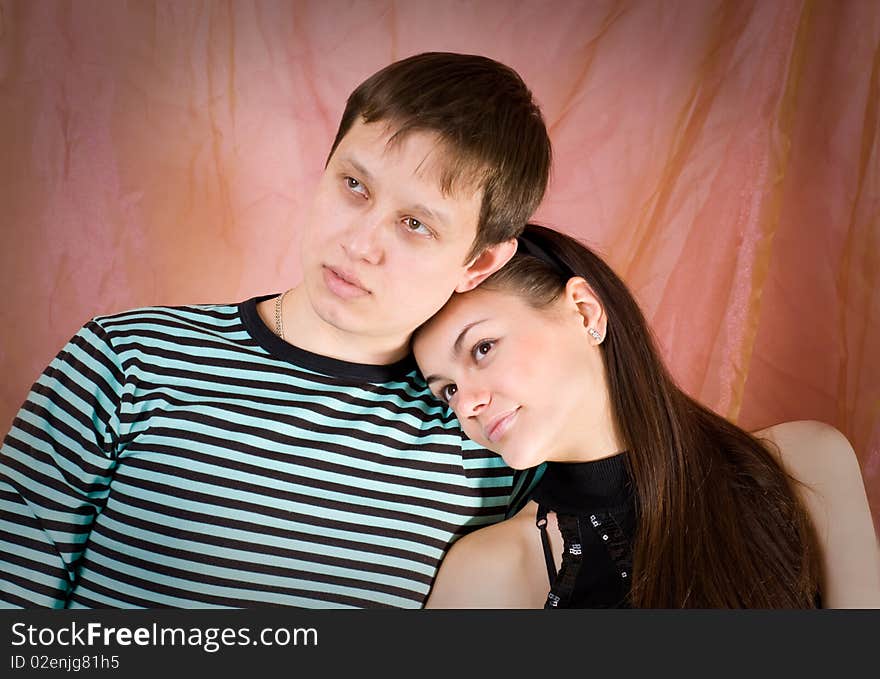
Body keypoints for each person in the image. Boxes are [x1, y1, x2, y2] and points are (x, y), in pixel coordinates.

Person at [0, 53, 552, 608]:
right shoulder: (124, 361)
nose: (358, 243)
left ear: (478, 264)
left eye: (415, 224)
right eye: (354, 185)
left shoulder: (492, 437)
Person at [413, 223, 880, 608]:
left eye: (482, 348)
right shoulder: (486, 576)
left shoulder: (807, 465)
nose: (465, 405)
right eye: (446, 389)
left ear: (584, 309)